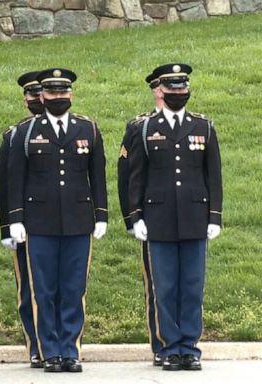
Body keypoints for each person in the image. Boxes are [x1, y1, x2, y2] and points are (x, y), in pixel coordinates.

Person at [7, 68, 108, 373]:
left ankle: (71, 349)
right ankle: (50, 350)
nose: (58, 98)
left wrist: (101, 215)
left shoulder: (87, 129)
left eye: (63, 93)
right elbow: (16, 179)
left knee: (73, 289)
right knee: (44, 290)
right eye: (52, 93)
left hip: (78, 221)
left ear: (71, 95)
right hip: (40, 222)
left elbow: (98, 176)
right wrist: (16, 219)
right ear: (43, 96)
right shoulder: (25, 132)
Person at [127, 63, 222, 371]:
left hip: (195, 216)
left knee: (193, 286)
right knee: (165, 287)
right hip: (159, 217)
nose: (179, 93)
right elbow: (136, 177)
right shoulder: (145, 128)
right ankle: (170, 348)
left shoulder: (203, 126)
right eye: (173, 89)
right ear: (162, 92)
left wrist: (214, 217)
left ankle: (190, 348)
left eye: (183, 89)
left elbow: (214, 176)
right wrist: (136, 216)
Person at [0, 71, 45, 368]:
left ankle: (61, 344)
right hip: (25, 225)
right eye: (31, 95)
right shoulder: (15, 135)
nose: (37, 99)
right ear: (25, 100)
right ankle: (36, 346)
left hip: (55, 221)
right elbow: (5, 186)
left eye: (41, 94)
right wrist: (7, 227)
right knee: (28, 289)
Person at [117, 70, 164, 367]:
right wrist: (133, 217)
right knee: (157, 285)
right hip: (152, 215)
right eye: (163, 86)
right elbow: (127, 175)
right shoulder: (138, 126)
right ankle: (160, 343)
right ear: (155, 90)